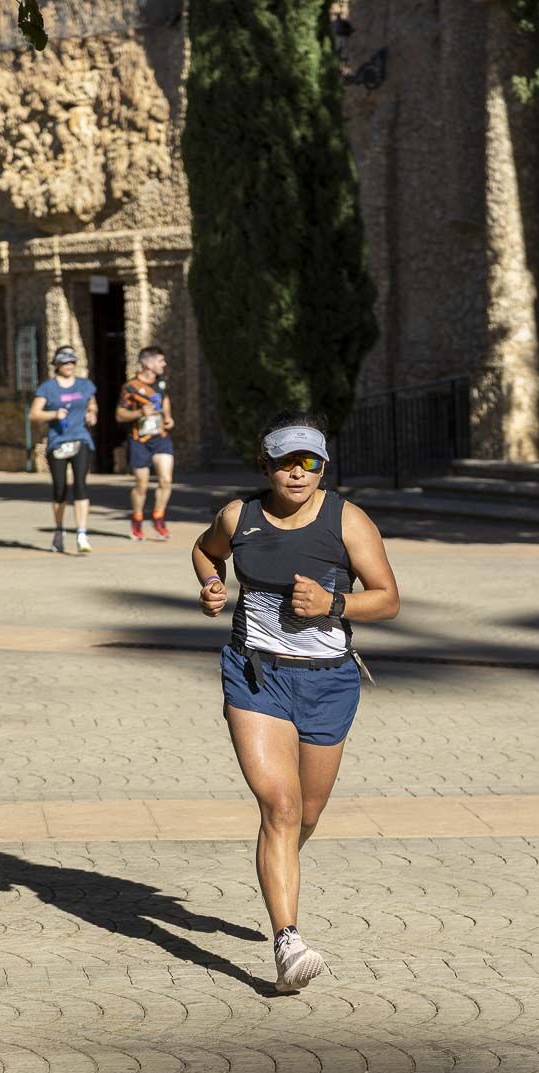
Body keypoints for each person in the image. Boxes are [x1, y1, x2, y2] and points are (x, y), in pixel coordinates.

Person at [191, 410, 400, 993]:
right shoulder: (240, 516)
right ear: (267, 465)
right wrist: (211, 587)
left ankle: (275, 861)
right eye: (286, 462)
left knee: (305, 815)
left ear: (323, 466)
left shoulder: (348, 521)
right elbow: (206, 552)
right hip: (255, 675)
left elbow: (387, 600)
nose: (298, 473)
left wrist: (334, 604)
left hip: (329, 681)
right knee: (280, 806)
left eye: (310, 462)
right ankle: (288, 943)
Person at [29, 346, 98, 554]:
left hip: (80, 439)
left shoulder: (85, 385)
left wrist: (92, 414)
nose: (69, 366)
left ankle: (82, 534)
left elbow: (92, 404)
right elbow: (34, 414)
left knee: (80, 485)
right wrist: (53, 415)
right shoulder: (48, 388)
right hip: (58, 442)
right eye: (65, 363)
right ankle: (59, 531)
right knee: (60, 489)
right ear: (57, 365)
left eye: (72, 362)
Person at [116, 346, 175, 541]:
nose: (164, 364)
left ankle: (158, 518)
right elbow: (120, 415)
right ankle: (137, 518)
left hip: (161, 438)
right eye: (160, 361)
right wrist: (141, 413)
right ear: (148, 363)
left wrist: (168, 417)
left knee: (165, 480)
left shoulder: (162, 382)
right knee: (141, 484)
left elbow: (164, 400)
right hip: (139, 440)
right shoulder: (130, 386)